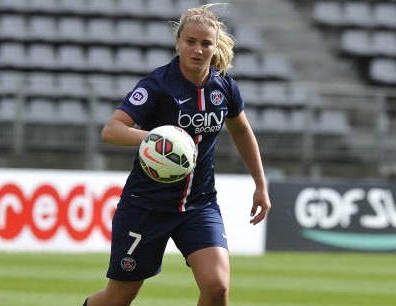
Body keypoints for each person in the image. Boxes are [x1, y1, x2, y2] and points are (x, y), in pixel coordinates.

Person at [82, 3, 271, 306]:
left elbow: (241, 131)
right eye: (191, 42)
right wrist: (158, 139)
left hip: (199, 205)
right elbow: (112, 130)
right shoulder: (157, 85)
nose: (198, 49)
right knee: (118, 299)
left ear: (215, 46)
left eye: (206, 43)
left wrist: (261, 184)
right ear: (178, 43)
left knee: (217, 287)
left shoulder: (224, 87)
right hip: (146, 206)